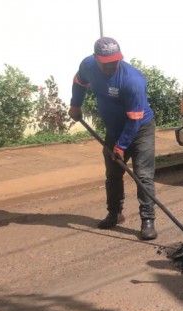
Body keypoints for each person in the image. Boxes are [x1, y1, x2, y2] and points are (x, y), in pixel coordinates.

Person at [68, 37, 158, 241]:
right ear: (96, 59)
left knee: (143, 175)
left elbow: (134, 119)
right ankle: (115, 213)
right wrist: (75, 104)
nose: (111, 65)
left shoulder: (132, 80)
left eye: (115, 60)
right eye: (106, 62)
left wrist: (122, 145)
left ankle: (147, 220)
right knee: (113, 173)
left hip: (140, 129)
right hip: (114, 129)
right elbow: (78, 81)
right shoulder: (88, 65)